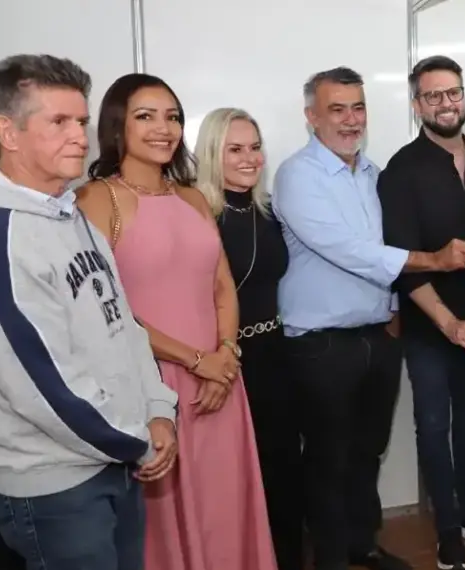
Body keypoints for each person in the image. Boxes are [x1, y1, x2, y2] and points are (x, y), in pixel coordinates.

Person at [0, 54, 178, 570]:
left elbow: (122, 323)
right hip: (56, 486)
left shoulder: (66, 211)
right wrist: (137, 440)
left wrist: (158, 408)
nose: (80, 137)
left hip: (114, 459)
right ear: (7, 132)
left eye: (81, 121)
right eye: (58, 122)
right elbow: (40, 382)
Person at [272, 66, 465, 570]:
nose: (350, 120)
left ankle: (360, 544)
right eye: (336, 109)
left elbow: (384, 252)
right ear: (311, 117)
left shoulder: (374, 174)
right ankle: (329, 560)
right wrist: (431, 260)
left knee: (367, 453)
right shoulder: (296, 175)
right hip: (320, 345)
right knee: (327, 459)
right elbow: (354, 252)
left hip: (377, 337)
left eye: (358, 107)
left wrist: (391, 313)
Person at [76, 73, 277, 570]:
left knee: (225, 505)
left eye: (173, 117)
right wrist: (197, 361)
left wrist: (226, 355)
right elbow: (109, 310)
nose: (164, 128)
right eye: (146, 116)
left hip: (221, 383)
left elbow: (222, 285)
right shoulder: (96, 199)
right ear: (118, 125)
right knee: (166, 519)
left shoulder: (189, 196)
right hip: (153, 384)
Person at [378, 55, 465, 570]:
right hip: (429, 326)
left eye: (454, 92)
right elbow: (403, 260)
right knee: (433, 425)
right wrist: (449, 324)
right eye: (434, 95)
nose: (446, 103)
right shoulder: (400, 170)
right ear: (417, 104)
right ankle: (446, 529)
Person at [194, 107, 302, 570]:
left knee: (283, 472)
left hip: (277, 355)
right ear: (211, 154)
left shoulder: (271, 210)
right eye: (234, 149)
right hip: (227, 362)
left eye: (255, 147)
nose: (249, 158)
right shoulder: (196, 215)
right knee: (231, 480)